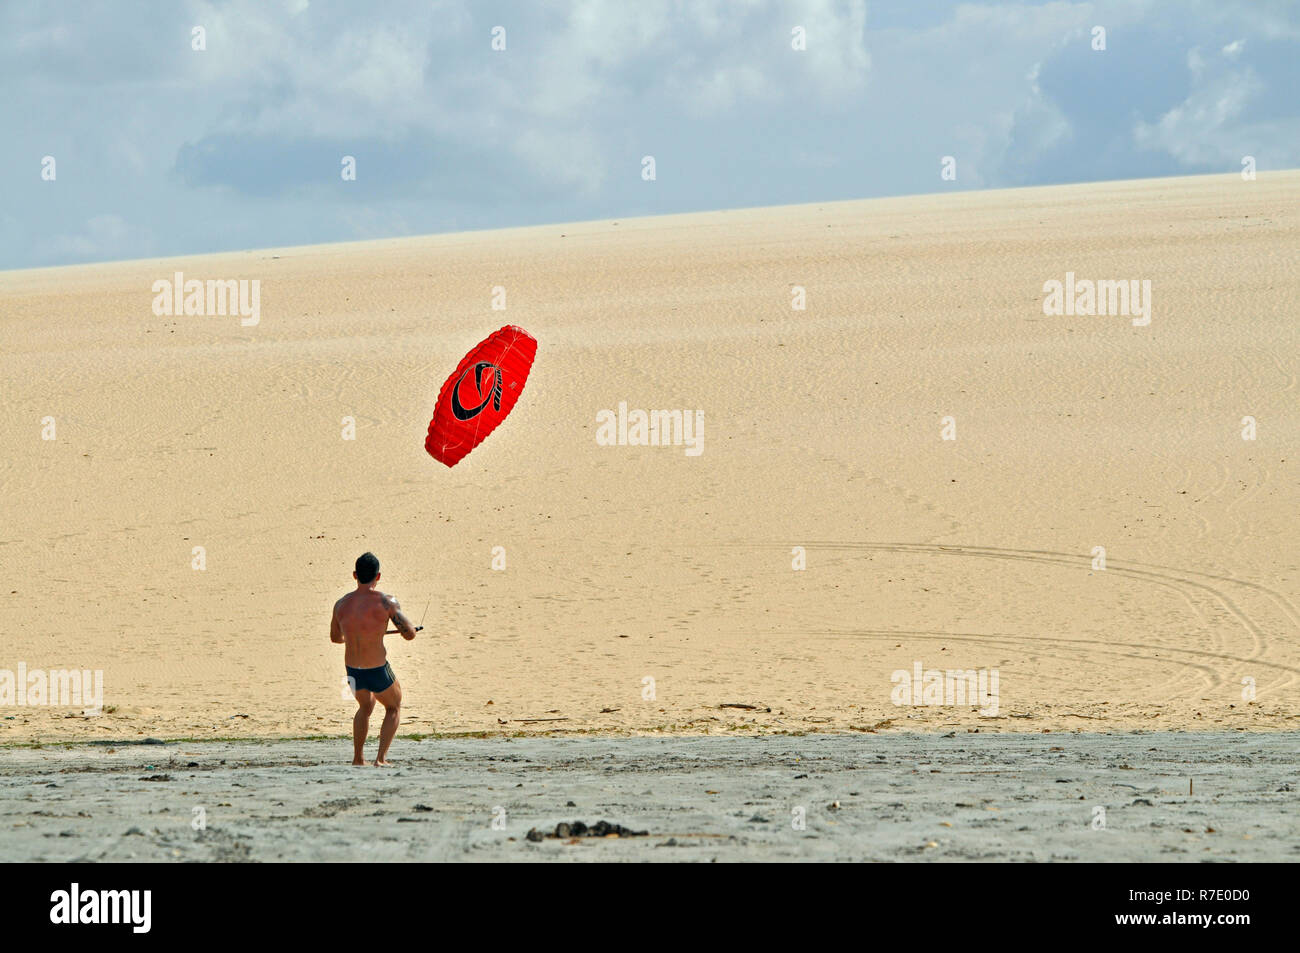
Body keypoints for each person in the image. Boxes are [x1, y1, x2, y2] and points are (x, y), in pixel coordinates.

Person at [330, 553, 417, 765]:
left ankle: (358, 758)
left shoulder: (341, 604)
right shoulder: (387, 602)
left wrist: (355, 635)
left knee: (365, 707)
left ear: (354, 575)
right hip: (376, 669)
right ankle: (380, 759)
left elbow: (335, 638)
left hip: (353, 670)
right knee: (393, 707)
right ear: (378, 577)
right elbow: (410, 634)